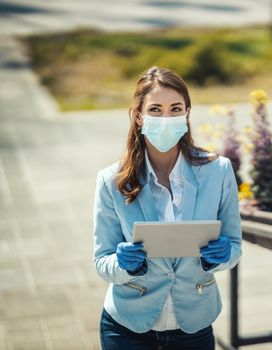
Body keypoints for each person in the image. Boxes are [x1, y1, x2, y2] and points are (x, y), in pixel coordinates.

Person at [93, 66, 242, 350]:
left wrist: (219, 257)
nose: (166, 118)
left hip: (194, 325)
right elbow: (103, 262)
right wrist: (123, 265)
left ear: (187, 114)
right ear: (138, 116)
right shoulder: (111, 181)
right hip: (127, 328)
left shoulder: (218, 171)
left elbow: (234, 247)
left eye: (175, 109)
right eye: (155, 110)